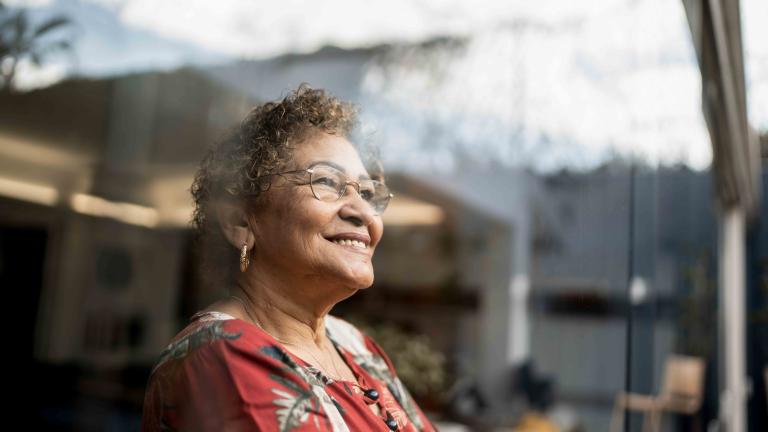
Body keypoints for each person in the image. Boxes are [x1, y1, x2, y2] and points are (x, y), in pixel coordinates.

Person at [140, 84, 437, 431]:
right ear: (240, 221)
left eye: (368, 192)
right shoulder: (221, 355)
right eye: (327, 181)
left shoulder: (354, 345)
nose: (363, 212)